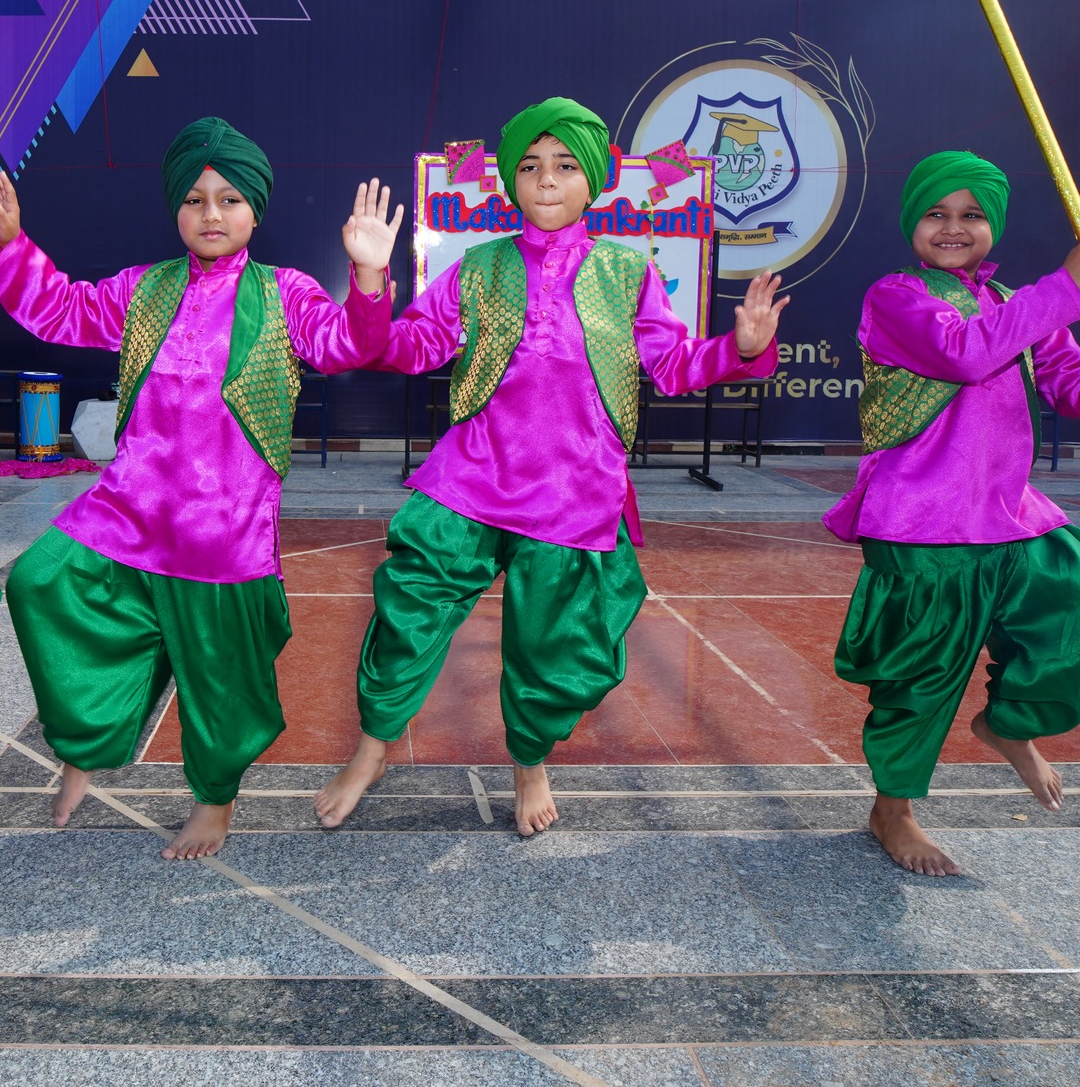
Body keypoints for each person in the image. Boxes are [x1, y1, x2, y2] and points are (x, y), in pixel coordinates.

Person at [315, 99, 788, 835]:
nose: (546, 179)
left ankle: (528, 761)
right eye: (530, 166)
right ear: (510, 180)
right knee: (407, 611)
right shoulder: (479, 266)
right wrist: (372, 283)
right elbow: (401, 349)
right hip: (470, 480)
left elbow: (671, 364)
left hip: (573, 492)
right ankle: (373, 747)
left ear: (593, 180)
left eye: (565, 166)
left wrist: (742, 349)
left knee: (551, 648)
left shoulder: (627, 271)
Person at [0, 118, 400, 860]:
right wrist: (13, 245)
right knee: (43, 582)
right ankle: (86, 744)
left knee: (220, 685)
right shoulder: (144, 289)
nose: (212, 214)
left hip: (224, 530)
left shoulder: (287, 294)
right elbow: (65, 310)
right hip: (127, 513)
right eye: (197, 199)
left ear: (255, 211)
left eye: (230, 200)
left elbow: (349, 345)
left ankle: (215, 802)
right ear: (177, 208)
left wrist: (367, 277)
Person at [822, 151, 1080, 877]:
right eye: (936, 213)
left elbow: (1071, 386)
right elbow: (965, 354)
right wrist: (1067, 284)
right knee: (919, 676)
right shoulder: (897, 296)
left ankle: (1008, 722)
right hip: (921, 524)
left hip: (1011, 516)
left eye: (971, 214)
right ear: (912, 223)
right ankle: (893, 808)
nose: (954, 226)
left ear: (994, 226)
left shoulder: (1014, 301)